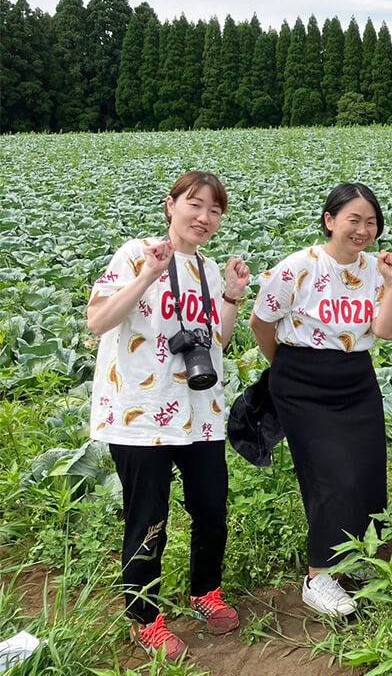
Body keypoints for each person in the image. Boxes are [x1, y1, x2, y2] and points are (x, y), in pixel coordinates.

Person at [87, 171, 250, 661]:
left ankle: (206, 592)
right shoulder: (136, 253)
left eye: (215, 210)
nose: (204, 217)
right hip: (142, 412)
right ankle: (145, 617)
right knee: (148, 518)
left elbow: (217, 340)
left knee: (211, 508)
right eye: (195, 204)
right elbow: (97, 321)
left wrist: (234, 295)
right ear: (171, 205)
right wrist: (147, 276)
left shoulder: (209, 268)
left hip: (199, 412)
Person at [249, 183, 392, 617]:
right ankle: (318, 575)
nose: (362, 229)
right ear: (330, 220)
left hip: (356, 378)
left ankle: (358, 559)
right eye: (353, 219)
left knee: (369, 472)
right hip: (301, 381)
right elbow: (262, 323)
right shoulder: (299, 266)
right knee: (330, 477)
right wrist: (287, 367)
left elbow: (387, 331)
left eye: (370, 222)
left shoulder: (376, 269)